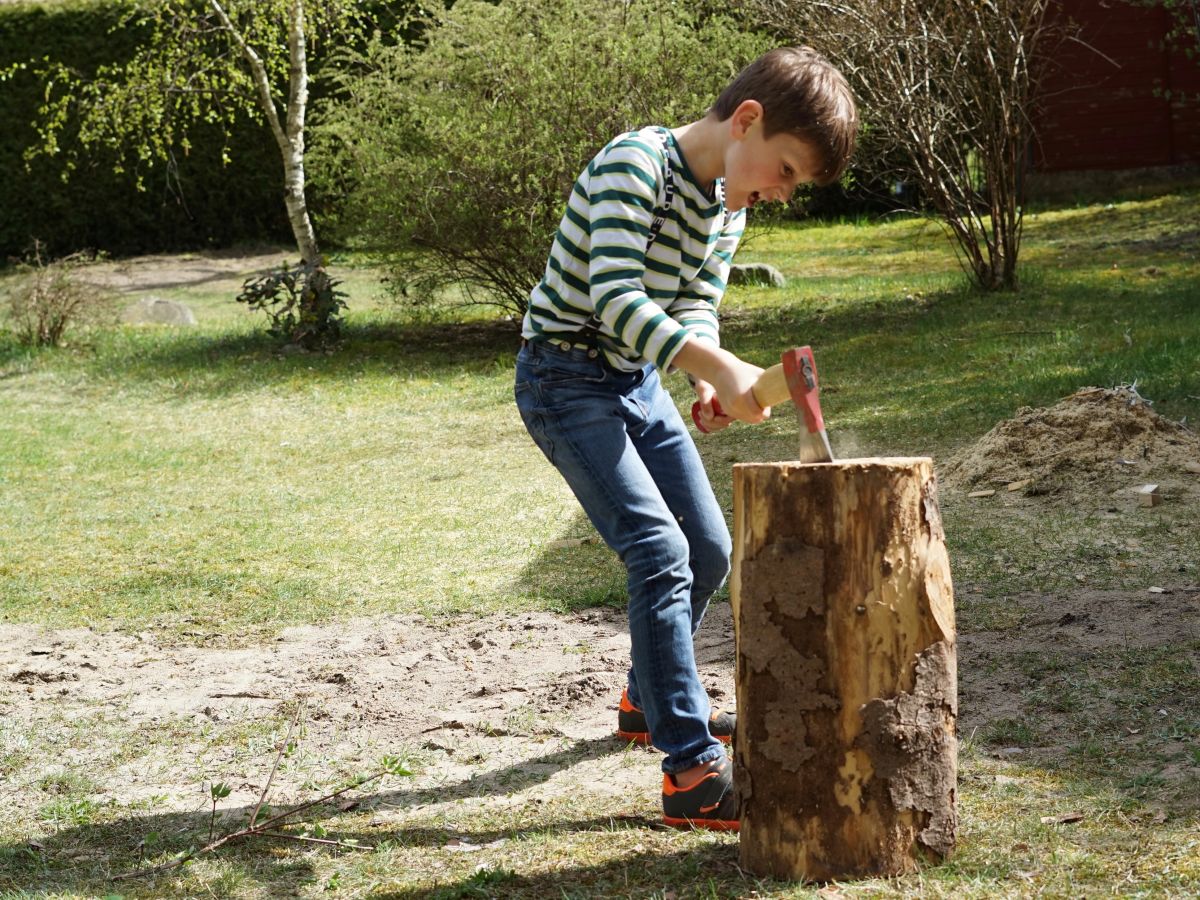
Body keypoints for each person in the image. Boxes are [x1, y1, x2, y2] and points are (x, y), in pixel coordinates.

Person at [514, 47, 858, 830]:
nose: (781, 192)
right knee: (657, 553)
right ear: (747, 122)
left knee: (707, 549)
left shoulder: (727, 206)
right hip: (562, 378)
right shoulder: (635, 165)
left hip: (634, 382)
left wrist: (706, 379)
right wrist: (721, 365)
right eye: (786, 171)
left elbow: (695, 304)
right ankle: (691, 770)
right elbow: (615, 297)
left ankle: (648, 694)